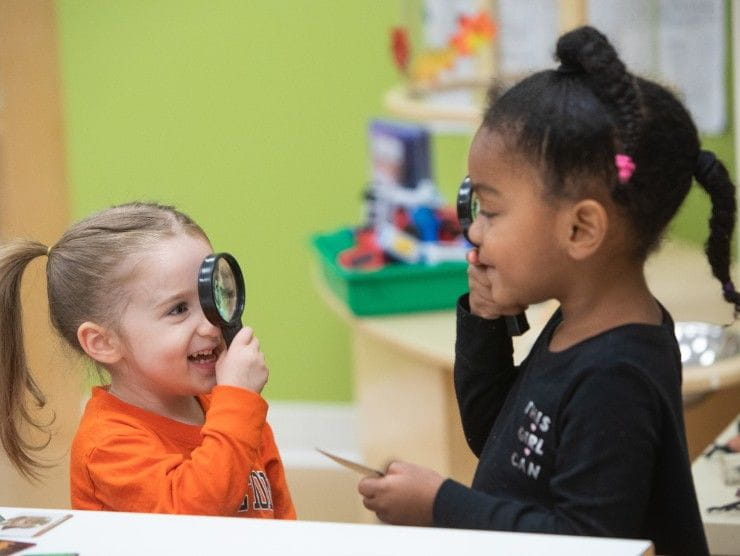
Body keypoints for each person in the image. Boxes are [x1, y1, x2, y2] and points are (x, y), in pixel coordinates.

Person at [359, 26, 727, 555]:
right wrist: (486, 320)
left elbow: (588, 543)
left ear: (580, 230)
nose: (476, 230)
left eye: (491, 210)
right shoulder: (578, 321)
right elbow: (498, 440)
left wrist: (441, 506)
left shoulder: (616, 374)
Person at [0, 202, 295, 519]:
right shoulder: (108, 445)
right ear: (103, 343)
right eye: (178, 309)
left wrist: (237, 404)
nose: (211, 326)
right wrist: (239, 400)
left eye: (212, 298)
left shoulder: (232, 411)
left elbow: (283, 523)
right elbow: (195, 516)